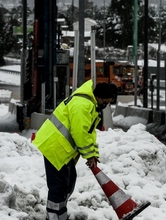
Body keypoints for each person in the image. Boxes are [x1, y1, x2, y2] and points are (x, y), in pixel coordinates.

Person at [33, 80, 117, 220]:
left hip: (62, 149)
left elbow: (89, 133)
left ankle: (60, 215)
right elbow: (80, 133)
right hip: (55, 147)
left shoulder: (90, 105)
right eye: (105, 103)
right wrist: (89, 156)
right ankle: (54, 217)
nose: (105, 106)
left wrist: (93, 154)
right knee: (59, 186)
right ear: (98, 96)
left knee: (68, 182)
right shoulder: (82, 105)